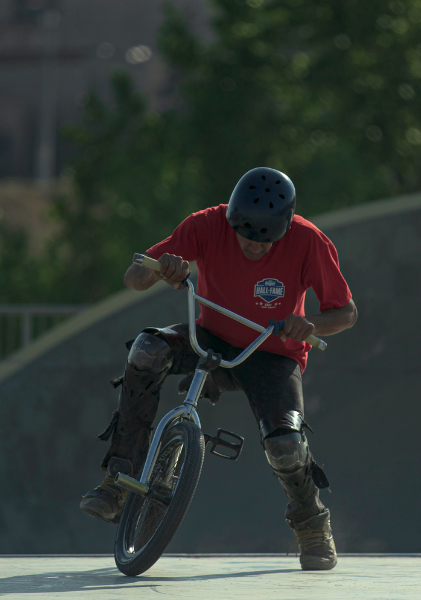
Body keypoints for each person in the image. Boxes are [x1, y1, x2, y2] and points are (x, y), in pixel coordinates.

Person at [80, 167, 358, 570]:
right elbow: (134, 276)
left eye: (267, 241)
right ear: (231, 220)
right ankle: (118, 482)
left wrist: (310, 325)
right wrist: (164, 268)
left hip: (273, 352)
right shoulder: (205, 225)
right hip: (207, 337)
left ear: (286, 227)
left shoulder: (309, 240)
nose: (255, 247)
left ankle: (311, 523)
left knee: (284, 444)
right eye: (247, 237)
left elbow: (346, 313)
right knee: (147, 349)